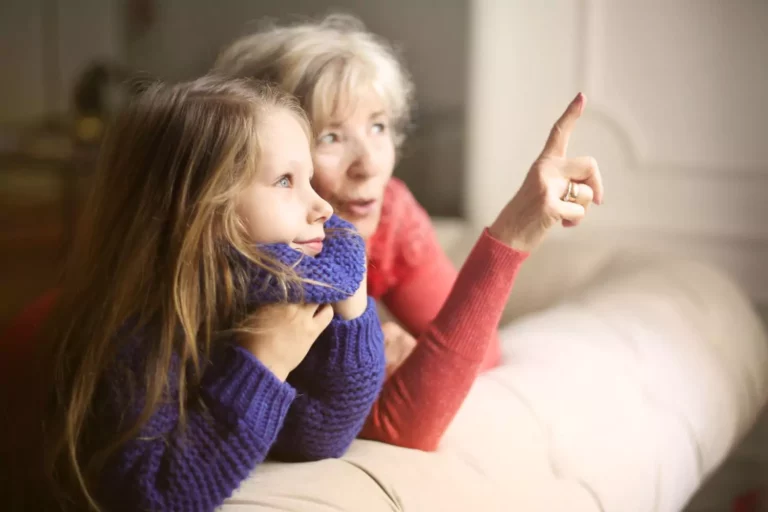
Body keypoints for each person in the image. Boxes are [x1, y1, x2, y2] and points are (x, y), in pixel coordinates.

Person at [212, 13, 604, 451]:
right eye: (330, 137)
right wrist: (511, 234)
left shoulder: (390, 213)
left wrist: (405, 347)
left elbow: (484, 352)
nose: (369, 165)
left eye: (378, 126)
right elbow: (401, 426)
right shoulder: (265, 251)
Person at [22, 76, 385, 511]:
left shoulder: (274, 290)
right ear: (200, 206)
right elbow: (156, 498)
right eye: (285, 181)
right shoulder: (138, 331)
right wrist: (263, 364)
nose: (323, 207)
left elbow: (317, 437)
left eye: (308, 178)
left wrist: (353, 310)